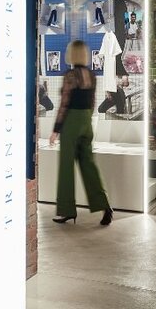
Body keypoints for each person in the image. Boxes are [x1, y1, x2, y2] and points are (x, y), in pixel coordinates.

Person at [49, 41, 113, 226]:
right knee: (89, 166)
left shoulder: (70, 76)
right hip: (86, 122)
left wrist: (56, 130)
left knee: (66, 167)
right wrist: (86, 119)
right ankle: (105, 206)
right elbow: (93, 102)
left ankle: (68, 210)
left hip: (72, 122)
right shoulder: (92, 76)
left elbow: (64, 104)